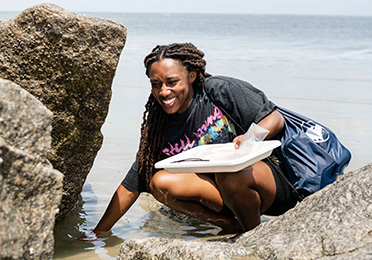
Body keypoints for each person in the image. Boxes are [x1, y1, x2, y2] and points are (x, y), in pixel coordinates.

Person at [92, 42, 298, 236]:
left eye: (172, 82)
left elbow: (275, 119)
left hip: (270, 187)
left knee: (229, 174)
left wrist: (250, 139)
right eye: (156, 84)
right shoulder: (160, 124)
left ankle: (254, 236)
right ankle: (230, 224)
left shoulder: (218, 90)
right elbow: (132, 185)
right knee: (159, 182)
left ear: (191, 76)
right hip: (224, 197)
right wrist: (98, 233)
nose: (164, 91)